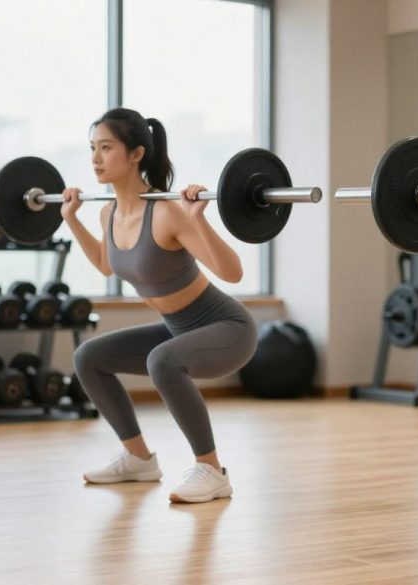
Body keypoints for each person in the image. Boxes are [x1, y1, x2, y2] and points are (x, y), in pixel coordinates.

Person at [62, 107, 257, 504]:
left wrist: (197, 218)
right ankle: (138, 460)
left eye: (105, 147)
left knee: (162, 360)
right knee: (89, 356)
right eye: (92, 148)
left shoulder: (167, 211)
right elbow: (106, 262)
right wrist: (71, 219)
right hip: (176, 329)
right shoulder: (109, 212)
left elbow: (232, 272)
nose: (95, 158)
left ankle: (212, 470)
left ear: (135, 154)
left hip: (227, 329)